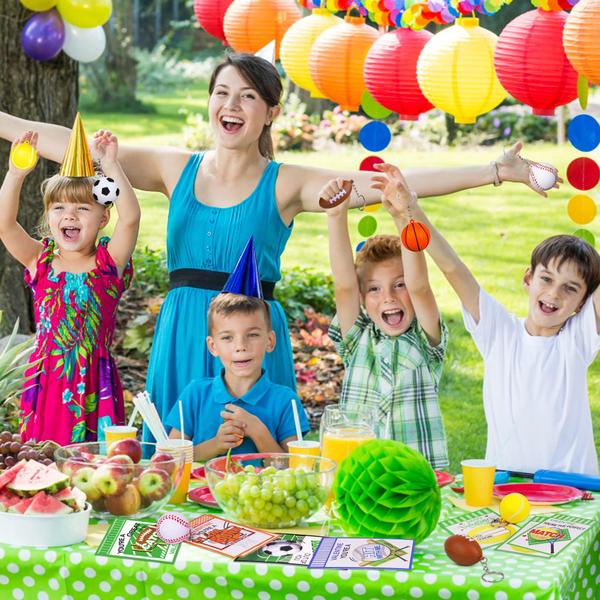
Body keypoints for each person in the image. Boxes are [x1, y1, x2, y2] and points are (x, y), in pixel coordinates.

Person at [0, 53, 557, 445]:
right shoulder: (176, 167)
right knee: (174, 456)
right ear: (210, 104)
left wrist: (494, 171)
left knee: (259, 460)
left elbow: (391, 180)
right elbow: (56, 140)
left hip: (253, 338)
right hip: (184, 328)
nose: (232, 104)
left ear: (270, 112)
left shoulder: (286, 181)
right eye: (222, 92)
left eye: (247, 96)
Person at [409, 195, 600, 475]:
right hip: (505, 485)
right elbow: (452, 268)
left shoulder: (577, 340)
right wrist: (412, 209)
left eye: (570, 288)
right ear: (528, 279)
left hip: (573, 490)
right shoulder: (498, 331)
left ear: (582, 304)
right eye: (546, 279)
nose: (554, 293)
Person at [0, 128, 141, 445]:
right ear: (49, 216)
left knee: (96, 469)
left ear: (103, 218)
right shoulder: (41, 261)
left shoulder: (109, 263)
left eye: (82, 208)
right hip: (47, 381)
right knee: (45, 462)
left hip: (95, 383)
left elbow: (130, 218)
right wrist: (15, 174)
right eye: (59, 208)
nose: (70, 215)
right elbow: (5, 225)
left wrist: (111, 165)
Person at [322, 164, 449, 468]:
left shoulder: (426, 338)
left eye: (398, 285)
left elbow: (420, 287)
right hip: (359, 473)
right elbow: (344, 285)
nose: (389, 297)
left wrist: (403, 216)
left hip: (415, 475)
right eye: (375, 289)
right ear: (364, 298)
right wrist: (336, 216)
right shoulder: (357, 339)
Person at [166, 292, 309, 460]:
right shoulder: (195, 394)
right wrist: (215, 445)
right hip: (204, 486)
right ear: (213, 346)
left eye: (253, 335)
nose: (240, 346)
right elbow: (170, 459)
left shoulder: (286, 401)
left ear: (269, 341)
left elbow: (295, 469)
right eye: (227, 337)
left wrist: (258, 432)